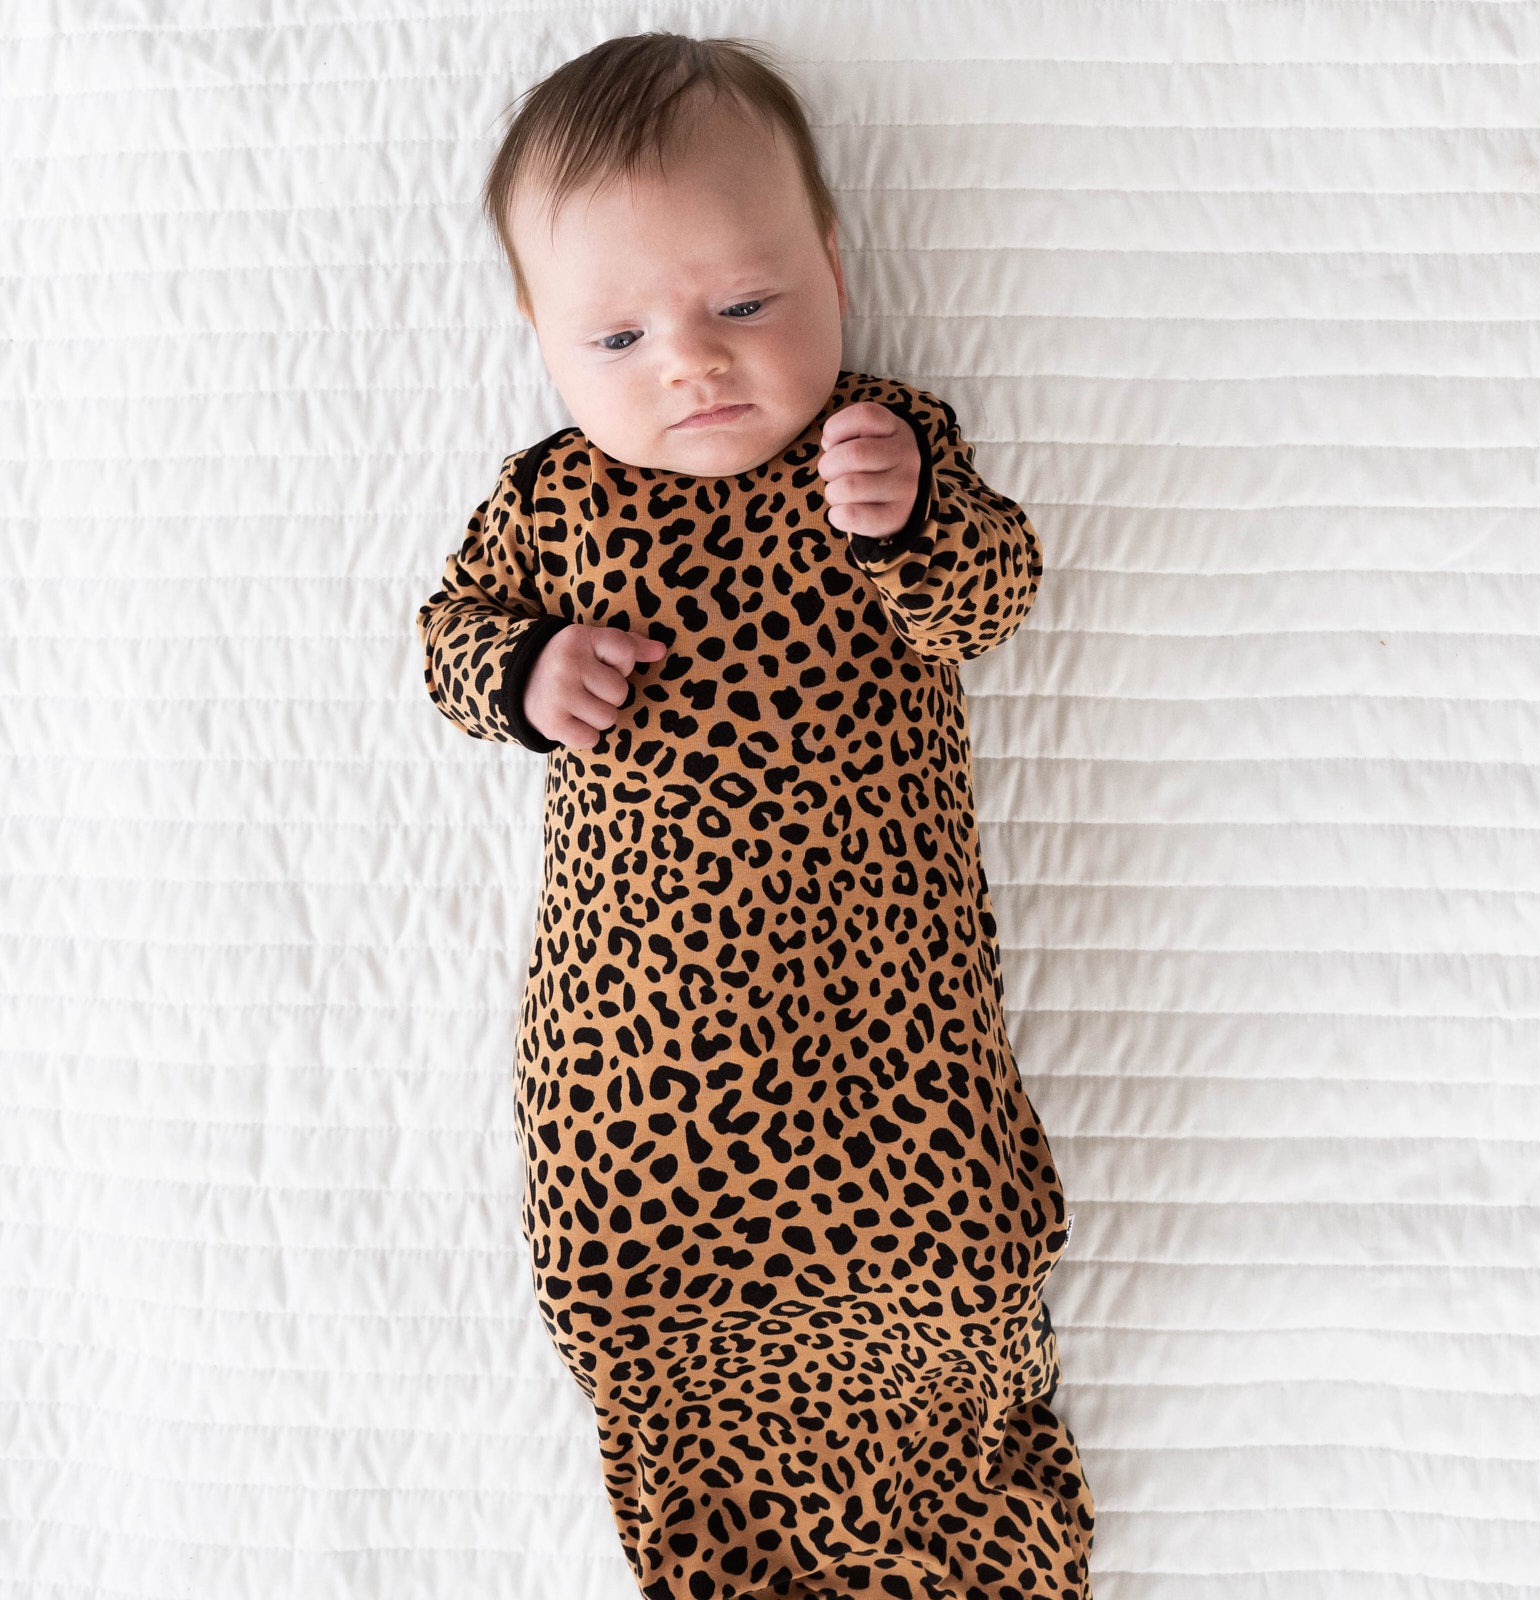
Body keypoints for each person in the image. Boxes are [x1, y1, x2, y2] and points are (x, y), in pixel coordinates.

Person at [415, 30, 1094, 1600]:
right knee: (636, 1293)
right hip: (638, 1063)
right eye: (617, 335)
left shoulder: (875, 446)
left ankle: (973, 1514)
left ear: (834, 267)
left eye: (744, 305)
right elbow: (448, 639)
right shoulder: (553, 501)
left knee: (958, 1262)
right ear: (540, 338)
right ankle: (718, 1546)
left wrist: (916, 521)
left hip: (888, 1038)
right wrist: (522, 672)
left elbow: (988, 599)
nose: (691, 364)